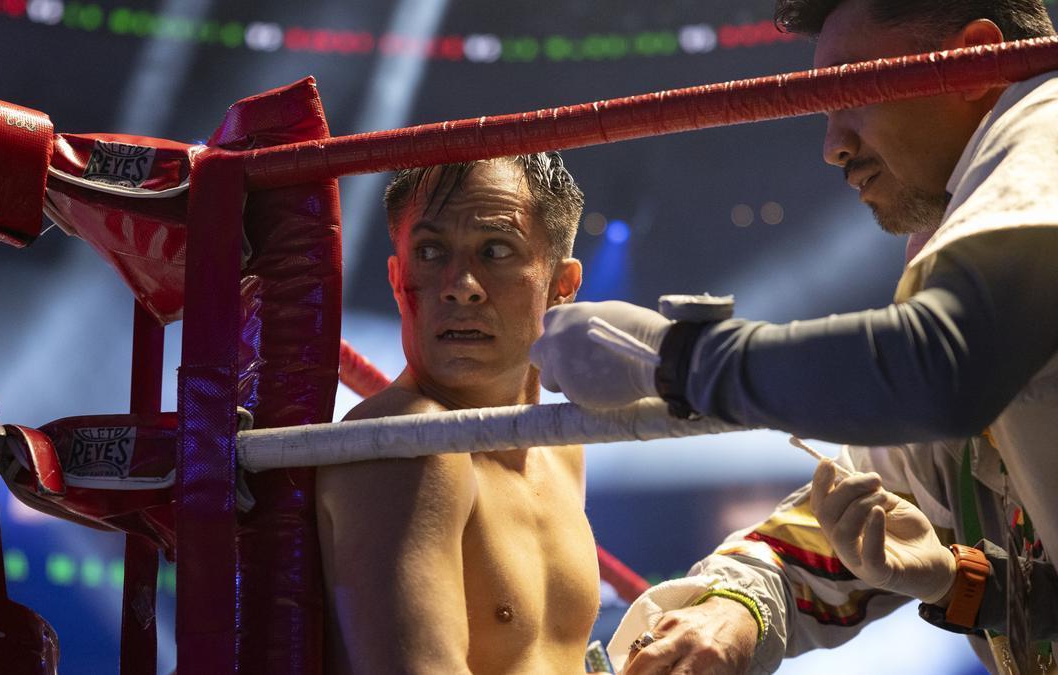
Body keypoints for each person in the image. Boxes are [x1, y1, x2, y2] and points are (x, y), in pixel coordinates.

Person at [528, 0, 1058, 672]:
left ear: (973, 61)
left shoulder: (1048, 129)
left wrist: (677, 360)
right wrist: (736, 607)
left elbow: (938, 367)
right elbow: (878, 503)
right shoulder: (969, 237)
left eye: (850, 92)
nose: (832, 145)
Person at [316, 153, 603, 673]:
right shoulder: (411, 446)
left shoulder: (560, 448)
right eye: (429, 252)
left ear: (563, 285)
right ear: (397, 276)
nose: (459, 284)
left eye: (495, 250)